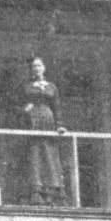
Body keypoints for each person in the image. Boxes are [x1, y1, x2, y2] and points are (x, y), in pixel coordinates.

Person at [22, 56, 68, 204]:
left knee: (49, 152)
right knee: (36, 152)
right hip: (33, 120)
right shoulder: (27, 86)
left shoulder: (51, 87)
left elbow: (57, 106)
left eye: (39, 66)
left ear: (44, 68)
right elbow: (19, 104)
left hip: (48, 119)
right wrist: (26, 109)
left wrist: (59, 125)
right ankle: (37, 189)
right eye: (34, 66)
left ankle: (53, 190)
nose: (37, 69)